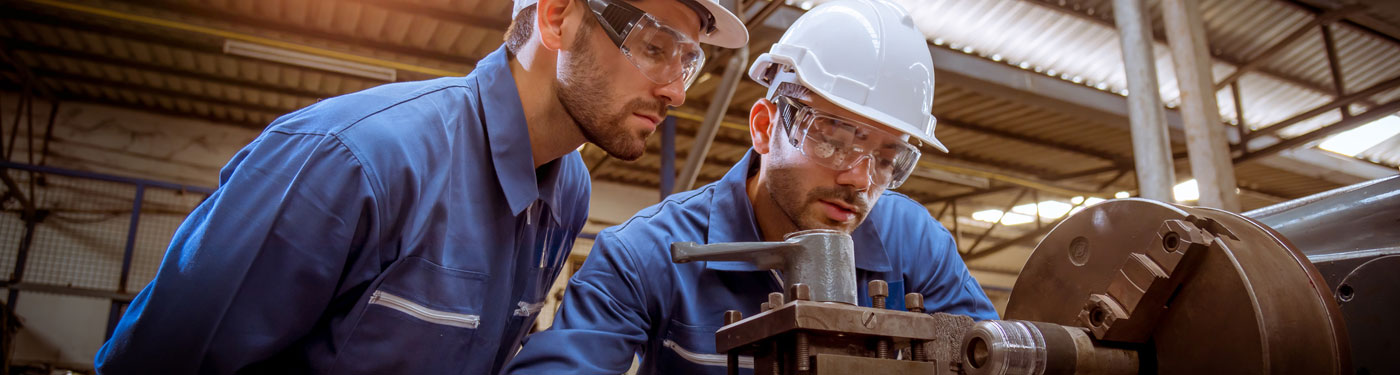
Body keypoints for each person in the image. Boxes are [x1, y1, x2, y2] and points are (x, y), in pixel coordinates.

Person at [93, 0, 746, 373]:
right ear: (556, 18)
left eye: (690, 58)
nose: (677, 90)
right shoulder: (352, 161)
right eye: (654, 46)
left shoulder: (566, 188)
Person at [504, 0, 998, 373]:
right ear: (763, 127)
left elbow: (994, 354)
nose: (860, 180)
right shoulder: (647, 254)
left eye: (888, 159)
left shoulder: (915, 242)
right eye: (834, 141)